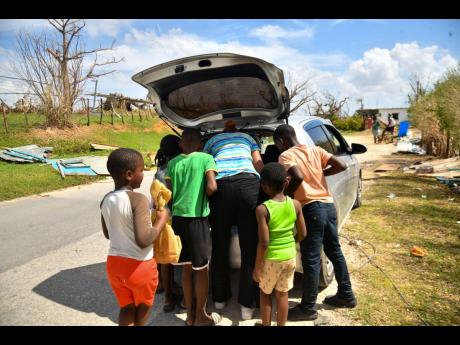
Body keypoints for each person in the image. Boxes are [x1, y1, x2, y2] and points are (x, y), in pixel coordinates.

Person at [273, 124, 357, 322]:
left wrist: (286, 194)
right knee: (334, 251)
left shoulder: (286, 156)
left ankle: (308, 307)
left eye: (277, 144)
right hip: (328, 206)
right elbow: (341, 165)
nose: (277, 148)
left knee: (311, 259)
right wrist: (320, 174)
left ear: (281, 141)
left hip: (311, 209)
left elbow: (298, 176)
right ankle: (346, 294)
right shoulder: (315, 150)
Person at [203, 120, 264, 320]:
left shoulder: (212, 140)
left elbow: (208, 165)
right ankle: (247, 306)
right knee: (249, 247)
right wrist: (269, 184)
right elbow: (257, 163)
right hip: (248, 184)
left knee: (220, 245)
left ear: (222, 130)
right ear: (237, 129)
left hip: (220, 187)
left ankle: (219, 300)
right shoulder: (248, 138)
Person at [101, 148, 169, 326]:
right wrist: (162, 220)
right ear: (129, 174)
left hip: (114, 265)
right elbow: (144, 239)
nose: (143, 174)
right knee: (144, 305)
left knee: (127, 307)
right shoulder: (138, 199)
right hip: (139, 266)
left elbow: (108, 233)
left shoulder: (106, 199)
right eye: (141, 170)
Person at [165, 128, 222, 326]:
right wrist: (204, 196)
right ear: (200, 144)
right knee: (202, 269)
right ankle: (202, 315)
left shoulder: (172, 163)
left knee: (187, 269)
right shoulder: (206, 158)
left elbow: (168, 194)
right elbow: (213, 187)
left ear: (181, 144)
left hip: (179, 220)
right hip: (197, 220)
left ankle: (190, 316)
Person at [253, 163, 307, 326]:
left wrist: (257, 267)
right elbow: (303, 234)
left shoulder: (263, 209)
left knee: (264, 293)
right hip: (289, 257)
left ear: (264, 187)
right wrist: (292, 243)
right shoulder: (296, 204)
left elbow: (264, 242)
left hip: (271, 259)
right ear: (287, 182)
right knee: (283, 295)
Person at [153, 134, 184, 313]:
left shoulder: (160, 171)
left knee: (165, 259)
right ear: (180, 147)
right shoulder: (181, 167)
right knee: (179, 257)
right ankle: (182, 293)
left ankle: (167, 298)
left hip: (162, 218)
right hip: (178, 218)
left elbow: (155, 199)